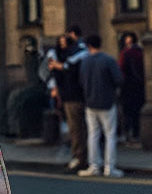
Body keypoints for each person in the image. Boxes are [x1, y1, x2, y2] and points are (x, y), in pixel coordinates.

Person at [77, 34, 125, 178]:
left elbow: (81, 81)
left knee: (93, 134)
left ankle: (94, 166)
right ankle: (109, 167)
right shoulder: (108, 60)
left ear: (88, 46)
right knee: (110, 135)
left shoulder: (84, 62)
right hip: (107, 102)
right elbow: (119, 79)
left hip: (90, 102)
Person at [48, 25, 89, 171]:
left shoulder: (76, 55)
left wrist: (59, 67)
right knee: (77, 128)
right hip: (69, 95)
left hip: (74, 96)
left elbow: (69, 68)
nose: (63, 43)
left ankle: (80, 157)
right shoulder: (65, 56)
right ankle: (80, 156)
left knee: (76, 128)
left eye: (65, 40)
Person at [118, 31, 145, 143]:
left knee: (127, 111)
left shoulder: (126, 53)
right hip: (138, 84)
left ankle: (129, 134)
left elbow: (120, 68)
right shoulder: (140, 51)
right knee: (136, 110)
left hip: (128, 85)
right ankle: (136, 133)